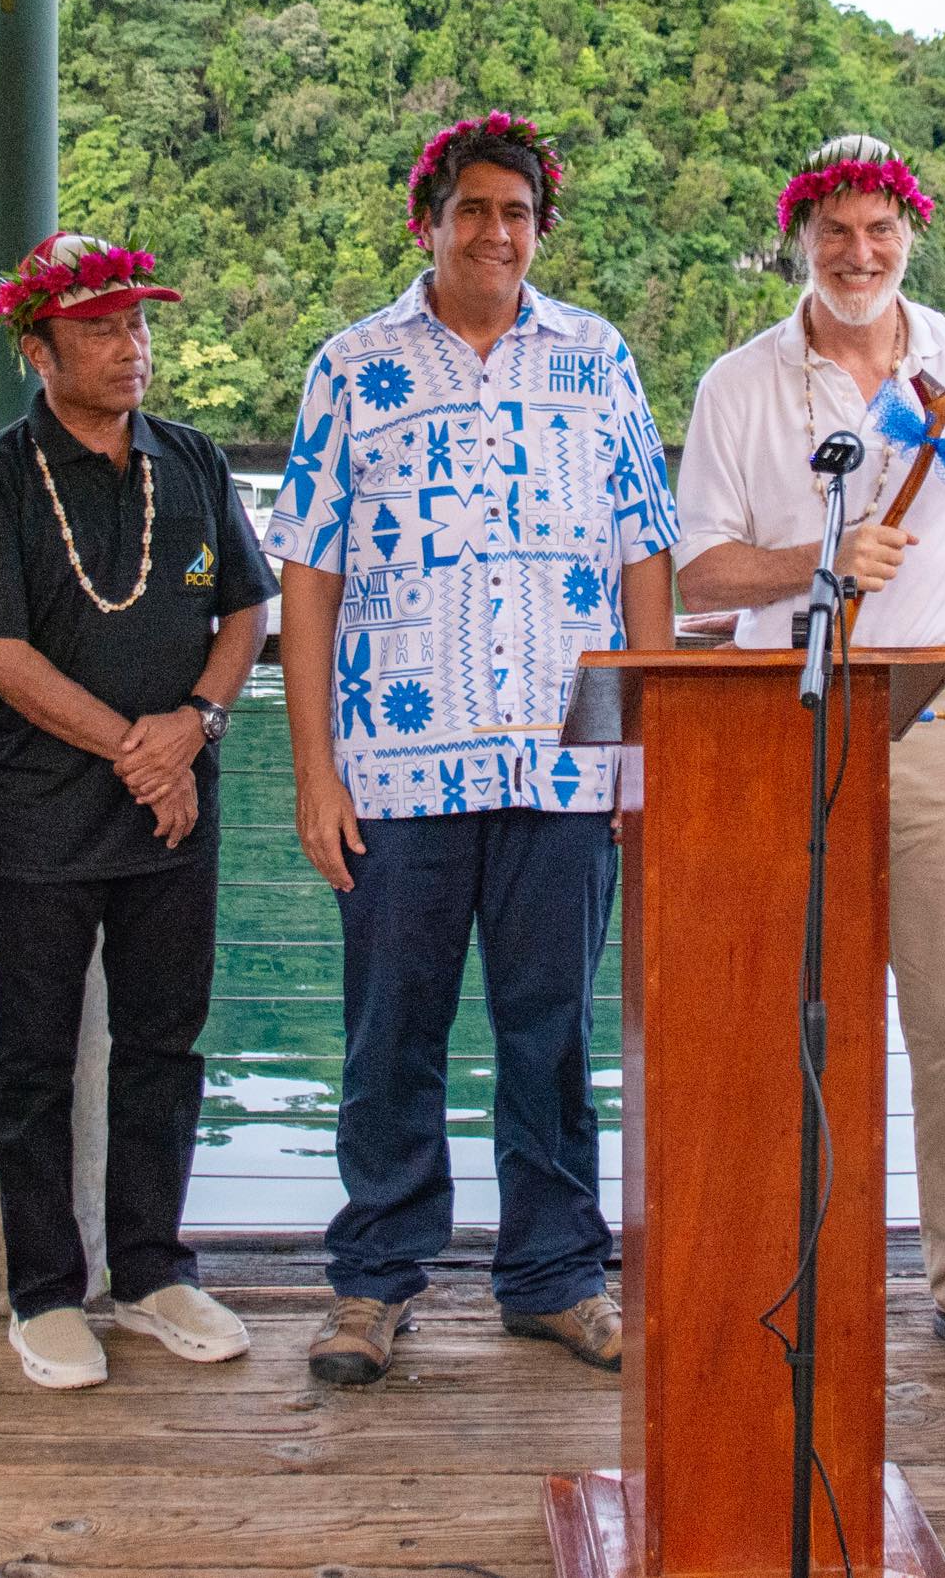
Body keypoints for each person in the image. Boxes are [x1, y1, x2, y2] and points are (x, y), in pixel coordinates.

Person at [265, 110, 680, 1386]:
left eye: (515, 212)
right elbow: (311, 570)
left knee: (548, 1030)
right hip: (397, 760)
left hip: (564, 762)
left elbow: (644, 551)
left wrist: (646, 747)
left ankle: (552, 1274)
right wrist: (313, 768)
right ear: (428, 225)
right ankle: (374, 1279)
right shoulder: (353, 365)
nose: (493, 232)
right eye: (471, 211)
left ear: (537, 229)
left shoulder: (596, 361)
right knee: (391, 1028)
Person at [673, 135, 945, 1386]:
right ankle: (787, 1267)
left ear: (911, 237)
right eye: (835, 231)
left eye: (880, 231)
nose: (858, 253)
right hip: (781, 713)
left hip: (943, 704)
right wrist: (816, 566)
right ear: (802, 237)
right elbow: (696, 571)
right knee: (786, 1011)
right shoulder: (740, 386)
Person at [0, 233, 278, 1388]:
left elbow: (244, 613)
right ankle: (44, 1290)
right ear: (37, 349)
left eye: (138, 327)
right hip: (40, 813)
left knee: (163, 1046)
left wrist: (194, 730)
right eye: (99, 330)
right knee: (31, 1060)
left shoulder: (191, 459)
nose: (130, 348)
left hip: (176, 813)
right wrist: (140, 747)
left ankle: (149, 1271)